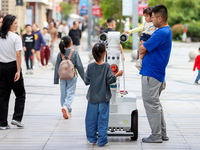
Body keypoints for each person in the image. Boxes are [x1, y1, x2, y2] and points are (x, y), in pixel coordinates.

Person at [138, 5, 172, 143]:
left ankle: (156, 135)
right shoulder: (165, 31)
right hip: (156, 73)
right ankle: (162, 134)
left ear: (160, 18)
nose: (151, 20)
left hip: (151, 74)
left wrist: (142, 46)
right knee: (156, 104)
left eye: (152, 17)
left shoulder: (161, 32)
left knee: (151, 104)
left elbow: (141, 49)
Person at [84, 43, 123, 147]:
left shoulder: (90, 66)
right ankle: (102, 141)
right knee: (103, 120)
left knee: (90, 119)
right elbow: (110, 80)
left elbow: (86, 81)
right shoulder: (106, 66)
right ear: (104, 53)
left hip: (92, 98)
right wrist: (117, 74)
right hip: (104, 98)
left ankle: (92, 139)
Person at [0, 14, 26, 129]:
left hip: (1, 67)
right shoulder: (15, 37)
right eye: (15, 23)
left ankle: (2, 123)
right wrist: (18, 71)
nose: (17, 25)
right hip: (13, 67)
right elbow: (18, 54)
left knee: (3, 95)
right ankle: (16, 118)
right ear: (10, 24)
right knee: (20, 94)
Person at [54, 36, 85, 119]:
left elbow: (57, 67)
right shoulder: (74, 52)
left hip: (62, 77)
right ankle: (66, 106)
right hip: (72, 76)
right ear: (71, 43)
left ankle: (67, 109)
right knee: (70, 93)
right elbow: (79, 66)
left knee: (63, 93)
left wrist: (56, 79)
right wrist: (85, 79)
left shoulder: (60, 53)